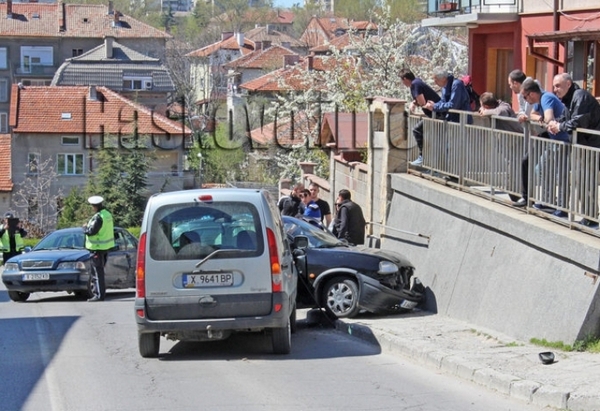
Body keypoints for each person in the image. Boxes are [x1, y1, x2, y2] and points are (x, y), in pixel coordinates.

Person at [547, 72, 600, 227]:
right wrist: (554, 124)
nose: (555, 89)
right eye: (554, 86)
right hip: (582, 146)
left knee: (586, 180)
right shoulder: (570, 99)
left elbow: (578, 122)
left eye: (558, 86)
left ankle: (590, 217)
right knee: (581, 180)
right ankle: (588, 215)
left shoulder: (580, 96)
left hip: (590, 146)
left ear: (568, 84)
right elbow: (565, 118)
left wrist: (559, 126)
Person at [521, 78, 570, 217]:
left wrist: (544, 120)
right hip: (553, 140)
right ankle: (548, 202)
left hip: (563, 140)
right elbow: (533, 115)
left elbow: (549, 118)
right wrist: (540, 119)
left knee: (561, 175)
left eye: (525, 97)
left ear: (531, 94)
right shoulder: (540, 100)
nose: (525, 100)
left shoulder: (546, 97)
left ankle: (562, 207)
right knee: (542, 169)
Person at [400, 69, 441, 166]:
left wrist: (414, 103)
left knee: (418, 130)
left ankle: (423, 158)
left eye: (402, 81)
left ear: (405, 79)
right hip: (433, 114)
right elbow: (419, 99)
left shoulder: (415, 84)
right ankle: (428, 162)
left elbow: (422, 102)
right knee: (421, 131)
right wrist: (414, 102)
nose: (403, 83)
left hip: (437, 114)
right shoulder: (416, 83)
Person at [83, 196, 115, 302]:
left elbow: (92, 231)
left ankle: (99, 295)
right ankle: (100, 294)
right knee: (99, 272)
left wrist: (84, 229)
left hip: (97, 248)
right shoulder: (107, 214)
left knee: (97, 273)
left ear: (95, 206)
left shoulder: (98, 217)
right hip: (105, 248)